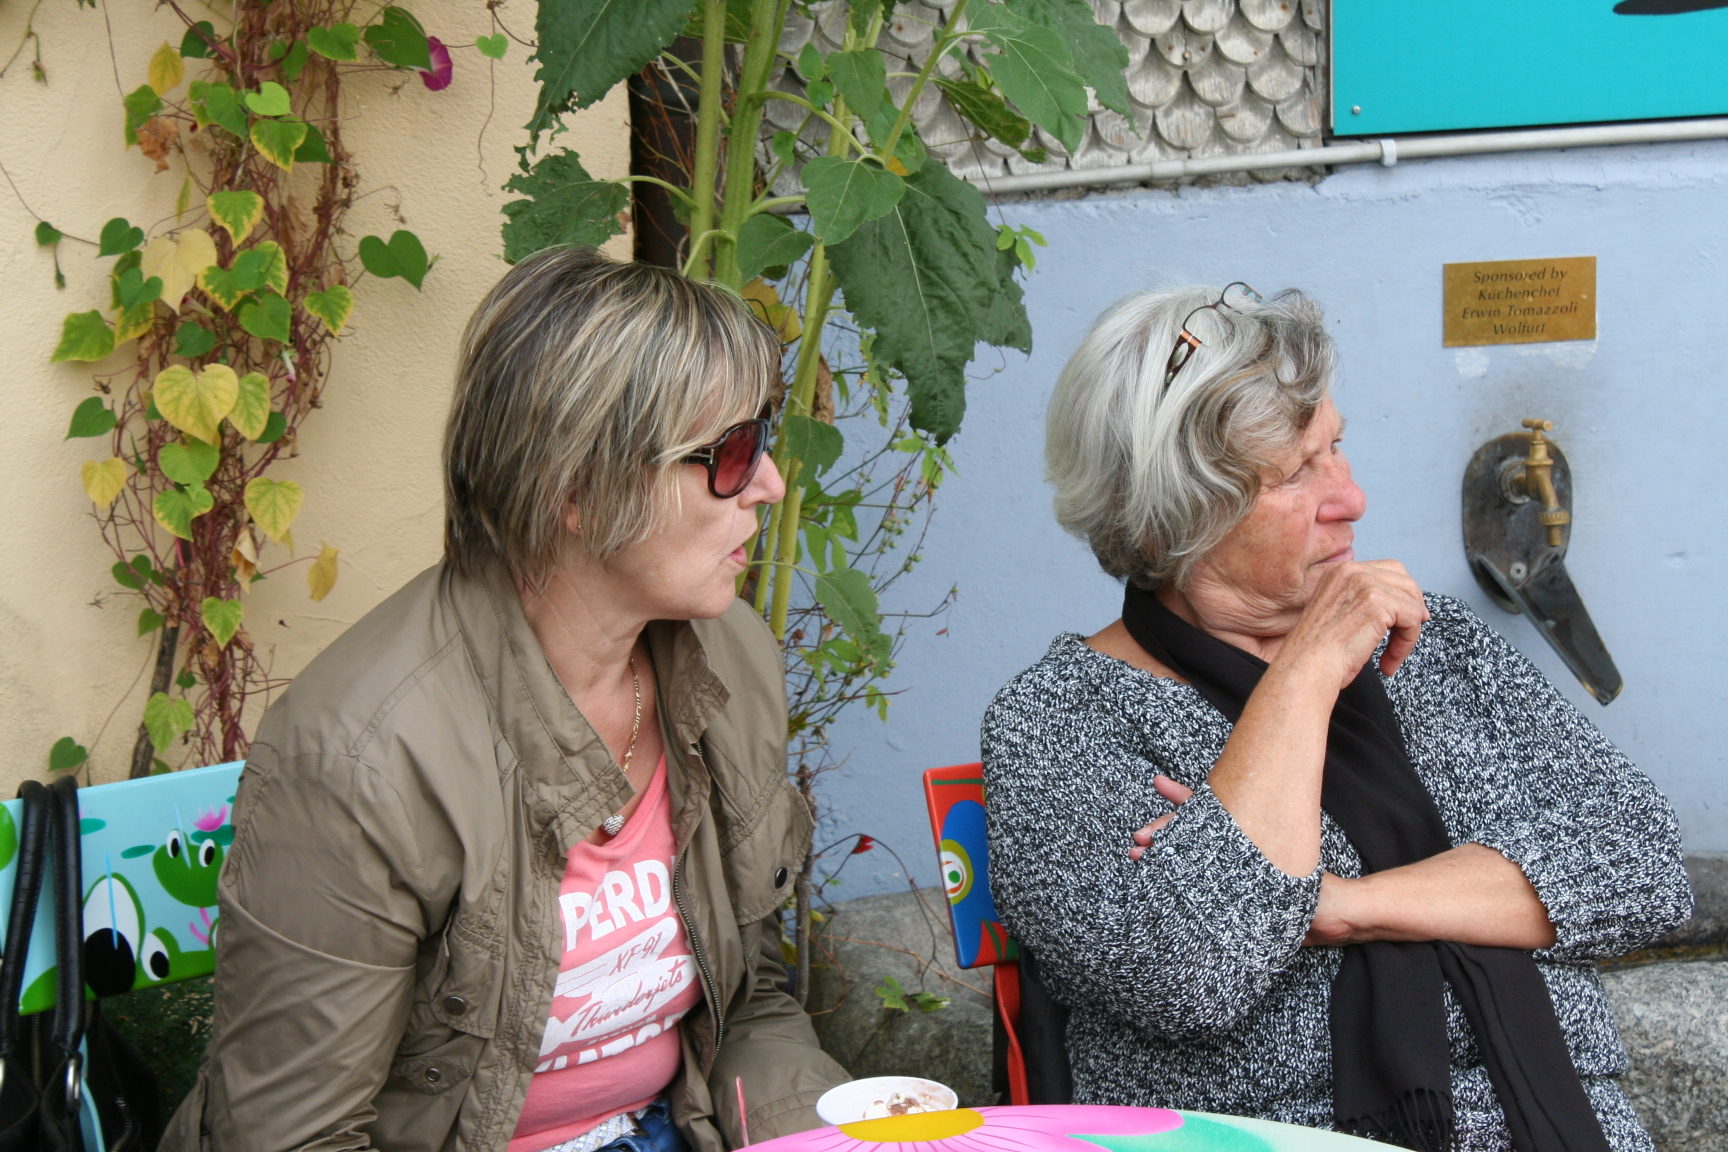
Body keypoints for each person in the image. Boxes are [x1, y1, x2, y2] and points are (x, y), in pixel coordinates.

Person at [163, 247, 850, 1152]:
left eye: (762, 439)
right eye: (728, 452)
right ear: (577, 489)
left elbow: (748, 1003)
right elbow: (296, 1137)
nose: (770, 483)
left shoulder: (730, 659)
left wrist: (828, 1138)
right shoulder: (361, 760)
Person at [981, 284, 1692, 1152]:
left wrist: (1341, 905)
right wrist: (1309, 669)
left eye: (1336, 448)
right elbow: (1190, 971)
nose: (1350, 498)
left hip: (1555, 1121)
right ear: (1171, 520)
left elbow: (1646, 869)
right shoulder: (1061, 719)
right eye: (1293, 475)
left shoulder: (1436, 644)